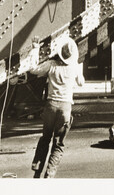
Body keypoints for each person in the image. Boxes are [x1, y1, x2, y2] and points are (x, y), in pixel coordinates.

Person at [29, 37, 84, 179]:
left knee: (45, 138)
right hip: (65, 108)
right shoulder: (74, 67)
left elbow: (33, 69)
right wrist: (79, 66)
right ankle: (50, 174)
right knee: (58, 144)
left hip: (51, 106)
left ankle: (37, 171)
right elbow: (81, 83)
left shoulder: (51, 65)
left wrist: (35, 48)